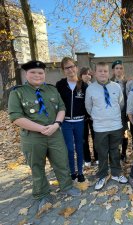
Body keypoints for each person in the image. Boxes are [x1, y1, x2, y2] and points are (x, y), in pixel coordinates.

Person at [8, 60, 81, 212]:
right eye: (33, 72)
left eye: (40, 72)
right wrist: (40, 128)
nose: (37, 75)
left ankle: (66, 186)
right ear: (26, 74)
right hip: (33, 137)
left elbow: (62, 108)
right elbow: (15, 117)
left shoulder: (52, 90)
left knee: (61, 161)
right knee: (37, 166)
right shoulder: (17, 92)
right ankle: (42, 194)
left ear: (44, 74)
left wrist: (56, 124)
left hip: (54, 133)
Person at [85, 62, 128, 190]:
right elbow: (88, 107)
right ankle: (102, 175)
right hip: (100, 127)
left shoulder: (116, 87)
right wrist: (98, 116)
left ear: (109, 72)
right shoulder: (90, 89)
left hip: (115, 125)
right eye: (100, 71)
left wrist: (112, 115)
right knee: (102, 152)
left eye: (105, 71)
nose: (103, 73)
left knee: (115, 150)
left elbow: (120, 104)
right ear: (95, 73)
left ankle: (116, 173)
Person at [56, 57, 87, 182]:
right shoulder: (60, 85)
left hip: (80, 122)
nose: (70, 69)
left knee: (80, 147)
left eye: (72, 66)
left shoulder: (83, 85)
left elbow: (88, 103)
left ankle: (80, 172)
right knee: (69, 148)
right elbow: (56, 103)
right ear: (63, 70)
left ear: (76, 67)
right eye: (67, 68)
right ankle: (72, 171)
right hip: (66, 122)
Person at [79, 67, 98, 167]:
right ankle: (87, 159)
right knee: (83, 138)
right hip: (82, 117)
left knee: (96, 137)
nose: (88, 76)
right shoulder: (78, 86)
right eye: (85, 74)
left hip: (92, 116)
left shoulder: (93, 86)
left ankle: (97, 157)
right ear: (81, 75)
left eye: (89, 74)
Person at [111, 60, 129, 161]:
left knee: (125, 134)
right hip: (114, 113)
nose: (119, 70)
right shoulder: (109, 82)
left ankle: (124, 153)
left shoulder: (127, 82)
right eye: (116, 68)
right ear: (113, 70)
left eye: (121, 68)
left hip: (125, 112)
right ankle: (116, 153)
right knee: (115, 134)